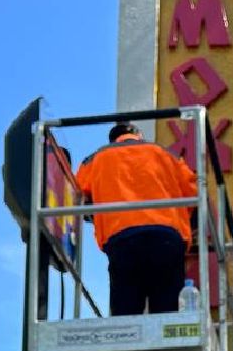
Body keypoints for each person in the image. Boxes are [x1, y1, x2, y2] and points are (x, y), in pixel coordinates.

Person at [75, 122, 197, 316]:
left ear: (113, 139)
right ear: (139, 135)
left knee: (126, 310)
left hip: (122, 239)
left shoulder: (95, 159)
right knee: (167, 310)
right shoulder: (165, 154)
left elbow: (77, 197)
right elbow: (193, 193)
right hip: (166, 236)